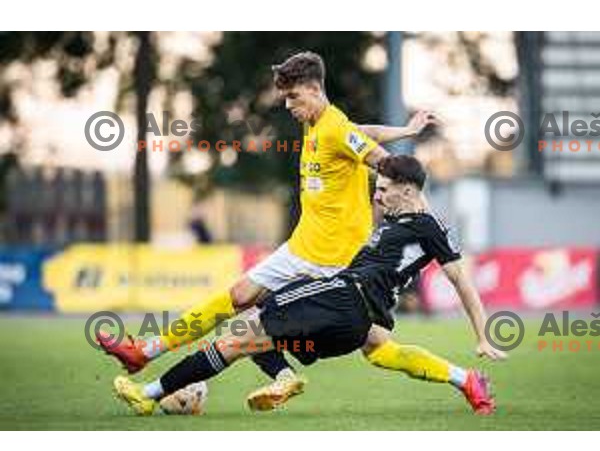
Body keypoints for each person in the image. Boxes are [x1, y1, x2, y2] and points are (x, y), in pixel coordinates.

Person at [98, 51, 437, 397]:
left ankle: (460, 378)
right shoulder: (320, 124)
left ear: (315, 89)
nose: (288, 105)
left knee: (368, 345)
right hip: (302, 246)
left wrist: (418, 208)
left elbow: (384, 162)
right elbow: (363, 133)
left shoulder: (334, 128)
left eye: (293, 96)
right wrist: (407, 129)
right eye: (285, 97)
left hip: (335, 261)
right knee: (239, 296)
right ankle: (145, 351)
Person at [112, 155, 504, 417]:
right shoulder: (403, 225)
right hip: (357, 322)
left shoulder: (428, 227)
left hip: (343, 298)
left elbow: (462, 282)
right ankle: (466, 379)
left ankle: (148, 395)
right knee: (378, 350)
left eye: (384, 187)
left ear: (409, 189)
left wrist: (483, 335)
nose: (377, 193)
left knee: (240, 332)